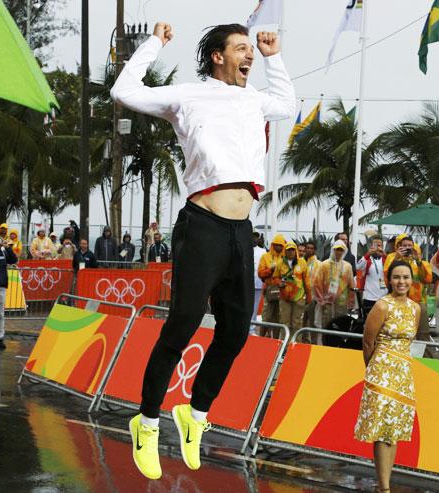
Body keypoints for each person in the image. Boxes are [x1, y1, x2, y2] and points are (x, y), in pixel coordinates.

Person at [111, 20, 295, 480]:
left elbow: (288, 104)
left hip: (241, 232)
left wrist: (274, 58)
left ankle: (194, 416)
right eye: (241, 49)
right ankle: (147, 421)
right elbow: (124, 91)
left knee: (235, 333)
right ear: (217, 56)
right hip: (202, 227)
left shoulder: (256, 99)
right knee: (184, 323)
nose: (248, 55)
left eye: (251, 49)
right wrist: (155, 42)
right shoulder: (188, 95)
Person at [354, 260, 421, 493]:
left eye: (405, 277)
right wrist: (373, 369)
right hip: (381, 372)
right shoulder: (382, 306)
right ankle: (384, 488)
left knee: (395, 431)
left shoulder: (416, 308)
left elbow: (411, 340)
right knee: (382, 430)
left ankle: (385, 484)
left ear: (411, 280)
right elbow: (368, 341)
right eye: (397, 277)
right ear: (388, 280)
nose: (401, 282)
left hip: (403, 374)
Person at [383, 234, 433, 341]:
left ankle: (426, 356)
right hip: (398, 301)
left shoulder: (420, 261)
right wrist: (397, 258)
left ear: (413, 246)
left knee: (423, 333)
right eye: (404, 245)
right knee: (400, 332)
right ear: (398, 246)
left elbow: (427, 279)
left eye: (410, 245)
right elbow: (387, 277)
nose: (407, 248)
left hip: (419, 302)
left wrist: (418, 262)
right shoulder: (392, 257)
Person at [313, 240, 355, 330]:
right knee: (326, 324)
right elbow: (317, 283)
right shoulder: (324, 265)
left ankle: (337, 343)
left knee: (340, 324)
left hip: (341, 302)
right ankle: (325, 343)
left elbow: (351, 285)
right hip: (326, 301)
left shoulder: (347, 266)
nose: (339, 252)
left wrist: (351, 302)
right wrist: (321, 300)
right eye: (337, 250)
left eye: (341, 250)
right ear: (333, 250)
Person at [276, 242, 311, 338]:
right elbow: (275, 277)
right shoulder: (280, 263)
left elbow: (307, 281)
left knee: (297, 323)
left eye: (292, 249)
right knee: (284, 322)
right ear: (285, 251)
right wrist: (279, 283)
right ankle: (285, 347)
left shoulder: (302, 262)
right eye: (288, 250)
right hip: (284, 297)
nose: (291, 252)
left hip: (299, 297)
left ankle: (295, 346)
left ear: (295, 251)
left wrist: (308, 296)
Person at [258, 234, 287, 331]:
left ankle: (276, 341)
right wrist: (270, 270)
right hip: (269, 290)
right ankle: (262, 338)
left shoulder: (286, 258)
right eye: (276, 244)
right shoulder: (265, 257)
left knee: (278, 318)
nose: (278, 247)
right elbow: (260, 273)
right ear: (272, 245)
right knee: (266, 317)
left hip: (282, 291)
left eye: (280, 245)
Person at [356, 236, 388, 313]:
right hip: (369, 297)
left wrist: (385, 255)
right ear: (371, 246)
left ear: (383, 247)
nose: (377, 248)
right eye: (375, 245)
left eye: (379, 245)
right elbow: (357, 267)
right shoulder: (367, 259)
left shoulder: (386, 259)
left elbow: (393, 268)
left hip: (384, 297)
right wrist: (368, 254)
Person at [302, 240, 321, 330]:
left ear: (315, 250)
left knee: (312, 323)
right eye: (308, 248)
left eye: (311, 248)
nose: (309, 250)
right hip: (300, 297)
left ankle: (313, 342)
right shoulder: (300, 262)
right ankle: (301, 342)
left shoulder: (318, 264)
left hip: (312, 298)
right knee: (301, 322)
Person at [252, 232, 267, 325]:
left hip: (258, 282)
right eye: (252, 237)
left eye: (256, 237)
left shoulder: (263, 251)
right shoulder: (244, 249)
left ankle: (251, 328)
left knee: (255, 306)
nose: (254, 239)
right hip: (245, 283)